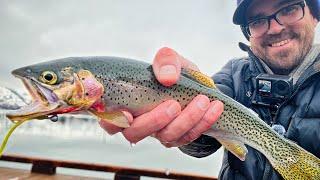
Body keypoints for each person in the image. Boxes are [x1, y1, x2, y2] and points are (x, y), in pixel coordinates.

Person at [100, 0, 320, 179]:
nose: (275, 27)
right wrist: (181, 113)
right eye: (257, 21)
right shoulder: (234, 75)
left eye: (290, 8)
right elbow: (202, 141)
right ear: (248, 33)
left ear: (315, 14)